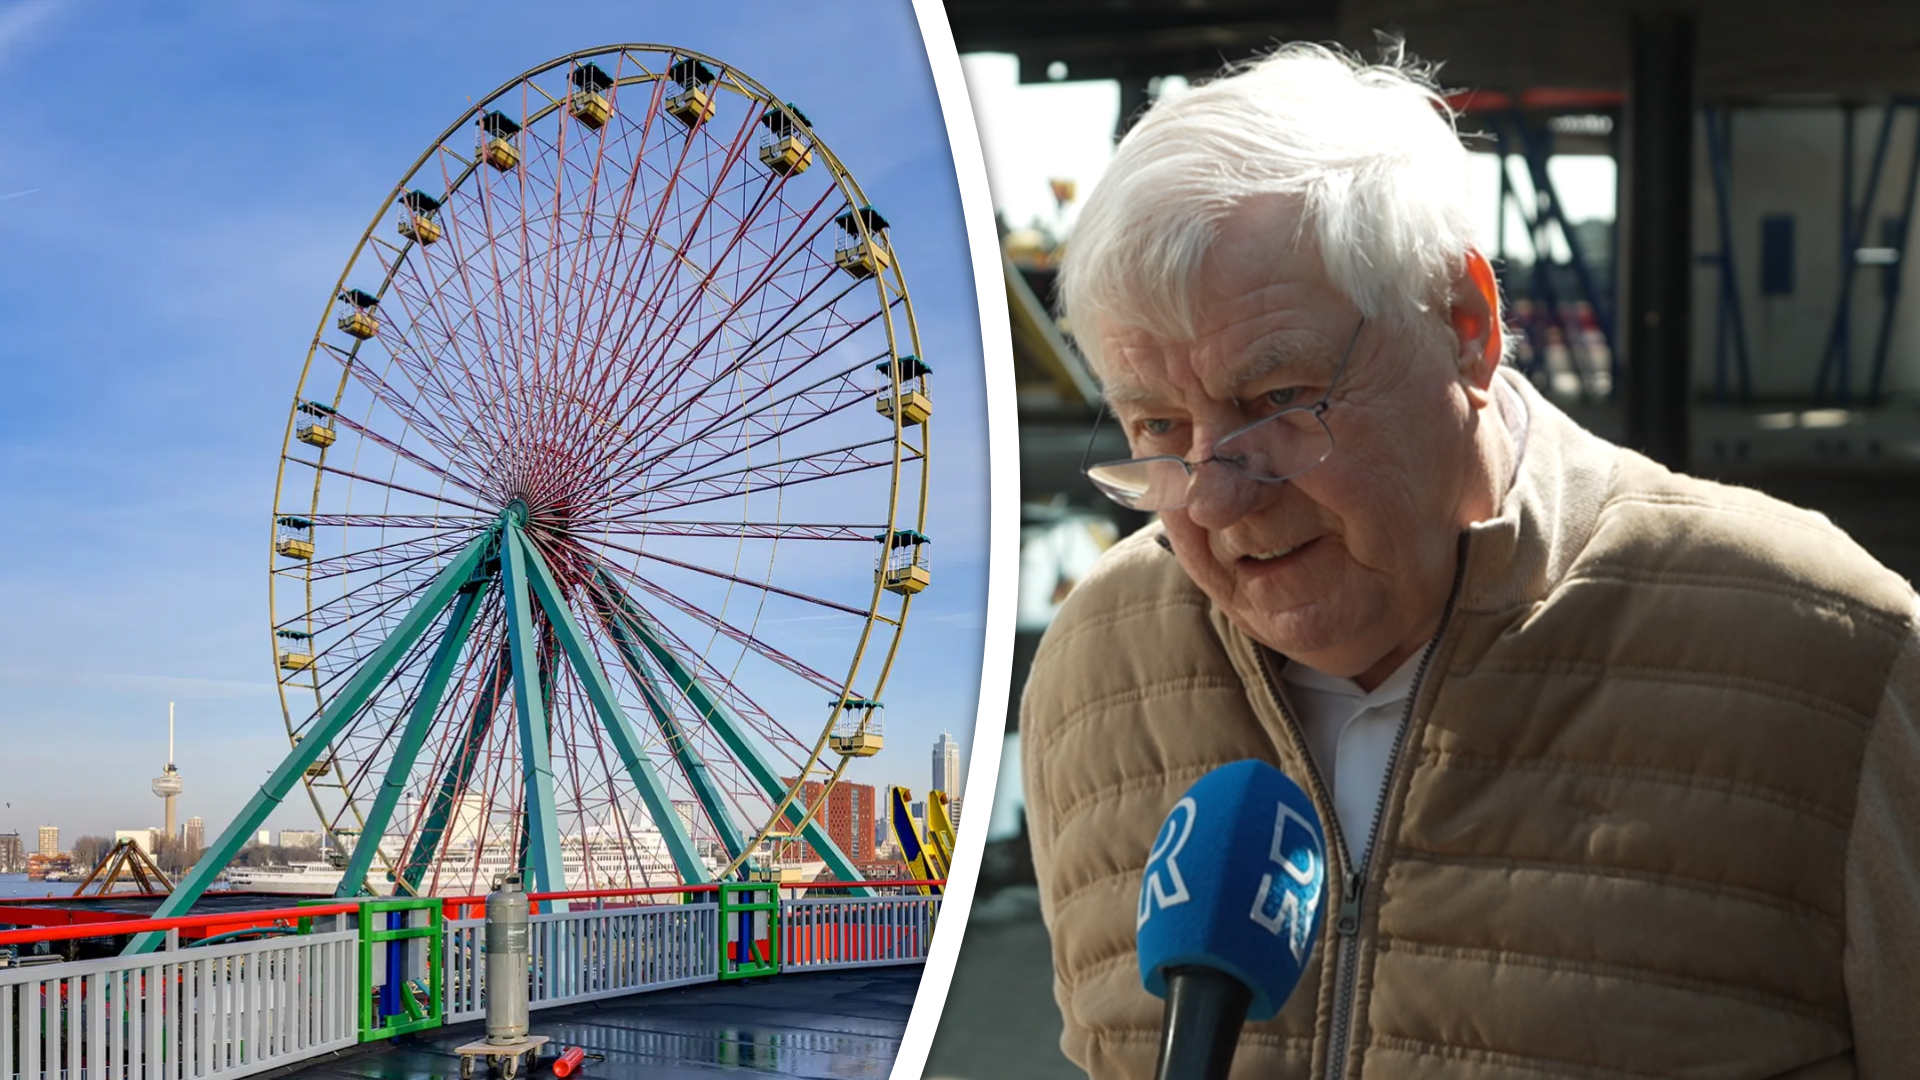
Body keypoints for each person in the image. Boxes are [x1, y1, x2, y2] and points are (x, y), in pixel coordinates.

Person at [1020, 42, 1920, 1079]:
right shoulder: (1096, 664)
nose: (1218, 496)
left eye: (1279, 401)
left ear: (1465, 326)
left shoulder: (1824, 656)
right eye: (1159, 428)